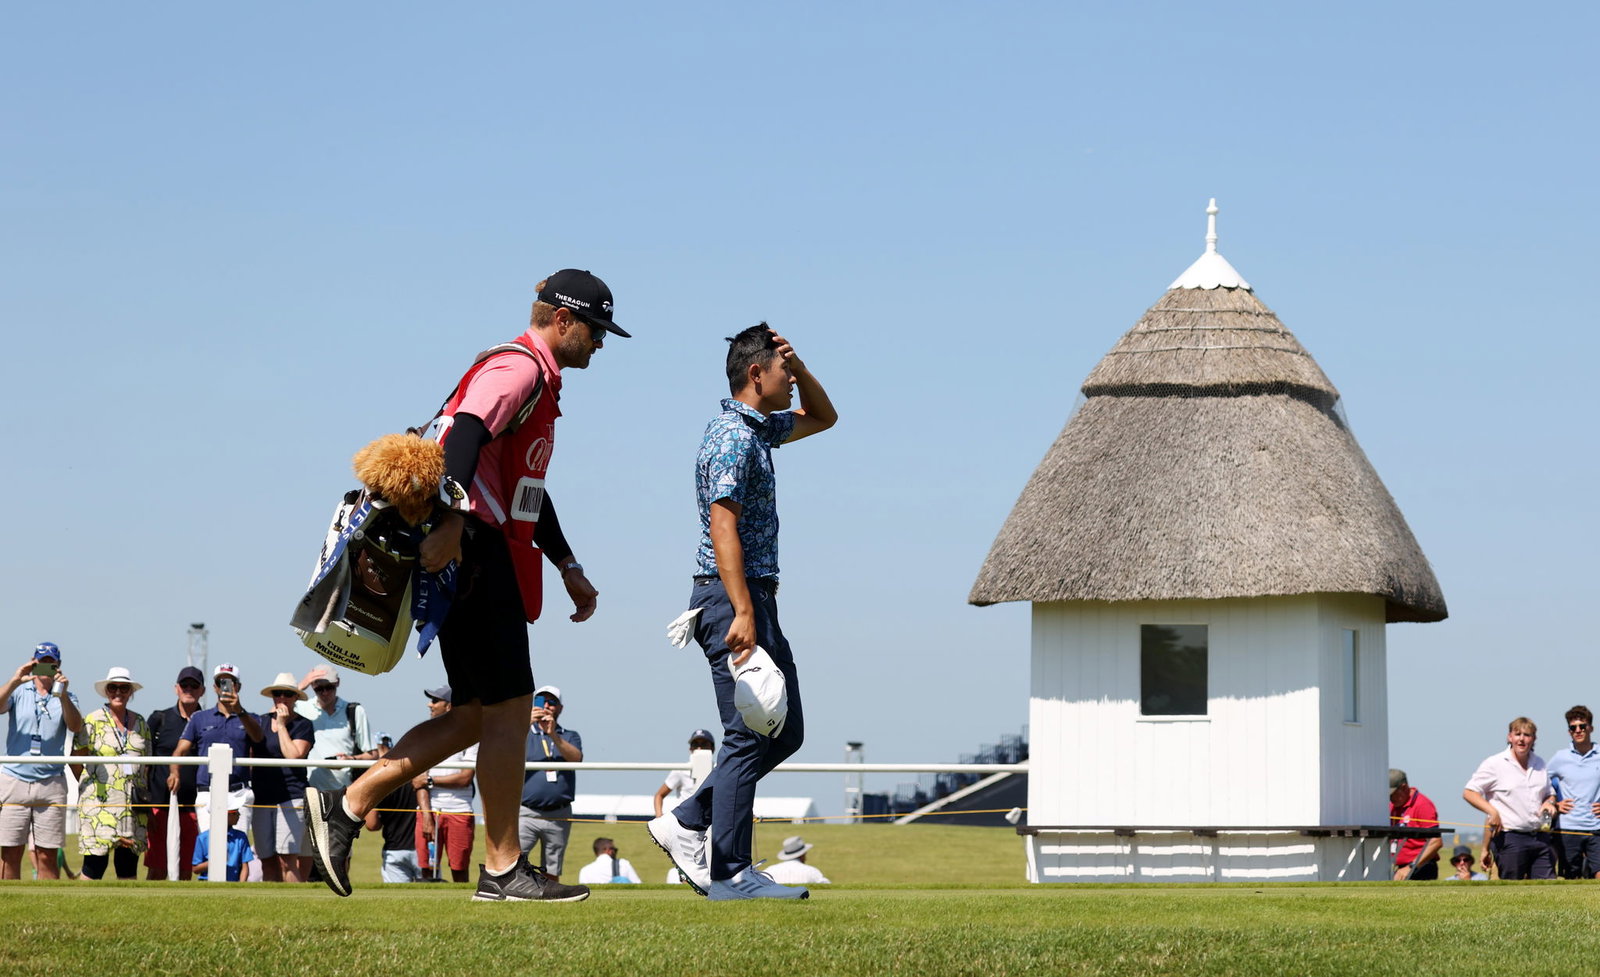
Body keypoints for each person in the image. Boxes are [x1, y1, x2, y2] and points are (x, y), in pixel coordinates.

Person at [305, 269, 625, 904]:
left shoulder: (539, 382)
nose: (600, 343)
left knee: (478, 713)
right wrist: (451, 521)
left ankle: (351, 801)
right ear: (562, 321)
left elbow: (524, 489)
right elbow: (462, 435)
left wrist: (565, 564)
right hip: (475, 546)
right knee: (510, 707)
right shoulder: (520, 370)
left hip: (481, 543)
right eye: (595, 329)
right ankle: (504, 870)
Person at [649, 324, 837, 901]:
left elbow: (823, 417)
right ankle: (731, 872)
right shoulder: (732, 437)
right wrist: (742, 610)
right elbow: (721, 524)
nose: (790, 379)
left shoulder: (759, 430)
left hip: (753, 597)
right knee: (749, 734)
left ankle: (685, 821)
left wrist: (800, 363)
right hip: (732, 598)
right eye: (783, 370)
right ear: (757, 375)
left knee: (786, 732)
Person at [1, 642, 84, 880]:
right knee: (10, 851)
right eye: (41, 663)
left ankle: (48, 904)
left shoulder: (67, 695)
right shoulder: (18, 691)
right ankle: (8, 903)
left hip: (51, 782)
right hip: (14, 779)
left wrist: (63, 694)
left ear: (59, 666)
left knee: (48, 853)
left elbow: (75, 726)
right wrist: (16, 679)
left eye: (52, 664)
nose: (46, 668)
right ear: (33, 662)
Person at [71, 667, 152, 880]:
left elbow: (148, 764)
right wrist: (90, 786)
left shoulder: (141, 722)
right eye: (113, 687)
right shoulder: (92, 719)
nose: (118, 692)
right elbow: (76, 758)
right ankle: (81, 909)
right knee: (94, 864)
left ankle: (129, 911)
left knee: (128, 865)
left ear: (130, 692)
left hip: (132, 805)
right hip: (100, 803)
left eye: (124, 688)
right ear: (106, 691)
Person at [1464, 716, 1559, 879]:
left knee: (1547, 886)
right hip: (1510, 838)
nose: (1522, 739)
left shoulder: (1540, 763)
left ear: (1534, 739)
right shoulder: (1495, 763)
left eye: (1527, 735)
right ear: (1510, 737)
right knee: (1512, 889)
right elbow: (1469, 792)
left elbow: (1550, 794)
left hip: (1540, 837)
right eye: (1518, 734)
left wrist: (1550, 803)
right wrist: (1491, 811)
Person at [169, 664, 261, 818]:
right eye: (221, 683)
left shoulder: (251, 718)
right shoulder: (199, 717)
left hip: (239, 792)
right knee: (208, 841)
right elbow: (180, 750)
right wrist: (174, 773)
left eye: (231, 683)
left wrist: (240, 711)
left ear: (238, 687)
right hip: (207, 792)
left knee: (237, 841)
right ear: (215, 688)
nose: (225, 687)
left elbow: (258, 737)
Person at [249, 672, 314, 882]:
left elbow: (294, 755)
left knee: (288, 859)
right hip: (262, 796)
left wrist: (282, 725)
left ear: (295, 697)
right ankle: (271, 906)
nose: (282, 698)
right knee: (266, 858)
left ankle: (294, 904)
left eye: (287, 694)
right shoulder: (260, 722)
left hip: (291, 796)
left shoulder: (304, 725)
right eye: (278, 693)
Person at [145, 665, 205, 880]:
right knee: (157, 868)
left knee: (186, 870)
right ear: (176, 689)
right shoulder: (158, 719)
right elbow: (145, 764)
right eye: (184, 685)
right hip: (160, 805)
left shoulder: (208, 721)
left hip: (194, 807)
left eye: (194, 685)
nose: (189, 689)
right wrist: (146, 805)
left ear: (202, 690)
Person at [519, 684, 582, 881]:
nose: (546, 706)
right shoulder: (522, 733)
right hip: (526, 812)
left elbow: (576, 759)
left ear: (560, 708)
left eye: (552, 702)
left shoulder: (569, 735)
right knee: (517, 862)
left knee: (552, 869)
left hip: (559, 813)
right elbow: (507, 754)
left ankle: (551, 900)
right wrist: (523, 726)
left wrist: (553, 734)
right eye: (541, 701)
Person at [418, 687, 477, 883]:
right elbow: (418, 781)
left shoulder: (471, 736)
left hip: (459, 811)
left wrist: (430, 781)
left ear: (449, 706)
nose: (429, 704)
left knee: (459, 869)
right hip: (428, 811)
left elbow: (465, 778)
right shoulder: (424, 734)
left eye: (435, 700)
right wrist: (427, 815)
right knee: (426, 869)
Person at [294, 667, 378, 793]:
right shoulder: (301, 707)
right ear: (312, 686)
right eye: (319, 689)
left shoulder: (354, 711)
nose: (325, 693)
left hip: (347, 792)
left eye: (329, 687)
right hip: (310, 791)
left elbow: (373, 754)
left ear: (337, 683)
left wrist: (351, 760)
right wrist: (300, 686)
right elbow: (272, 719)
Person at [1548, 704, 1600, 878]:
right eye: (1573, 728)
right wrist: (1554, 803)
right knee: (1571, 878)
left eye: (1582, 726)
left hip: (1596, 827)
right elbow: (1539, 782)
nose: (1578, 730)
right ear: (1569, 731)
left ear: (1590, 728)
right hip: (1568, 828)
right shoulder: (1560, 758)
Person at [364, 776, 423, 883]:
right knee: (428, 893)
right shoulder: (421, 779)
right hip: (423, 848)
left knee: (398, 896)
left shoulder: (381, 784)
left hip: (394, 849)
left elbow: (372, 825)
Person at [1388, 769, 1441, 880]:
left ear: (1403, 787)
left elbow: (1436, 841)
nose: (1391, 799)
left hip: (1421, 868)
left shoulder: (1422, 805)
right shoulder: (1392, 806)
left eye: (1392, 794)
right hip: (1399, 869)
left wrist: (1411, 867)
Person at [194, 788, 255, 882]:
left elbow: (245, 867)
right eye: (235, 812)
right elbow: (195, 869)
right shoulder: (203, 838)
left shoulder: (241, 837)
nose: (239, 815)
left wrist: (240, 887)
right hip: (207, 883)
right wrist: (215, 861)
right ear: (224, 815)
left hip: (233, 883)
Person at [653, 729, 715, 818]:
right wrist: (659, 818)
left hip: (710, 822)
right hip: (684, 822)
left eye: (704, 744)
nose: (699, 748)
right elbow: (659, 795)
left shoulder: (719, 770)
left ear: (713, 748)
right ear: (690, 749)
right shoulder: (681, 770)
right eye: (695, 745)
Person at [763, 836, 832, 885]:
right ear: (802, 855)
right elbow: (827, 886)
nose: (806, 858)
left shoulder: (769, 871)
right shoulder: (812, 871)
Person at [576, 837, 641, 884]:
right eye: (615, 850)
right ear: (610, 850)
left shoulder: (584, 871)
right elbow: (638, 885)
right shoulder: (623, 864)